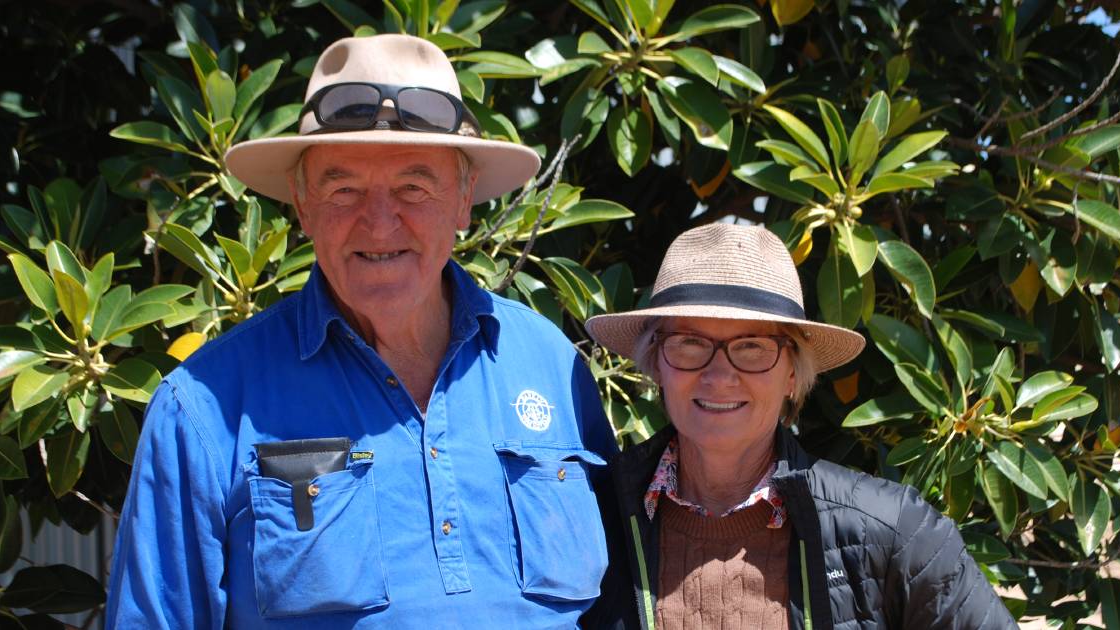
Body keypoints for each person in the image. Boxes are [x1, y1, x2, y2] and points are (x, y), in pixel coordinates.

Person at [107, 34, 617, 628]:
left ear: (463, 201)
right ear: (301, 205)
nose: (379, 223)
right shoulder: (203, 407)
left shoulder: (550, 365)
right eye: (343, 188)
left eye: (414, 186)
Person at [582, 223, 1016, 629]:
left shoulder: (894, 530)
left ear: (793, 373)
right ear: (656, 363)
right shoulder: (590, 520)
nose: (719, 375)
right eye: (690, 343)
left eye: (751, 347)